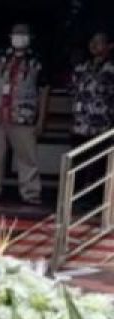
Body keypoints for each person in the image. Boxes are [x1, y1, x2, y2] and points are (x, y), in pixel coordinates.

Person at [0, 24, 49, 205]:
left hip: (23, 115)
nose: (19, 37)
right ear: (10, 36)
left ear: (30, 37)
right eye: (16, 33)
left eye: (23, 34)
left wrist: (41, 119)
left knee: (27, 157)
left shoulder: (37, 60)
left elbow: (44, 90)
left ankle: (30, 193)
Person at [69, 31, 114, 207]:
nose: (94, 45)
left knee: (98, 165)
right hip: (80, 125)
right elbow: (73, 92)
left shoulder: (111, 69)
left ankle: (95, 200)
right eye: (92, 42)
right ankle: (75, 198)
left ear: (109, 46)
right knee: (77, 164)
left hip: (102, 126)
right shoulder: (81, 68)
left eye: (99, 42)